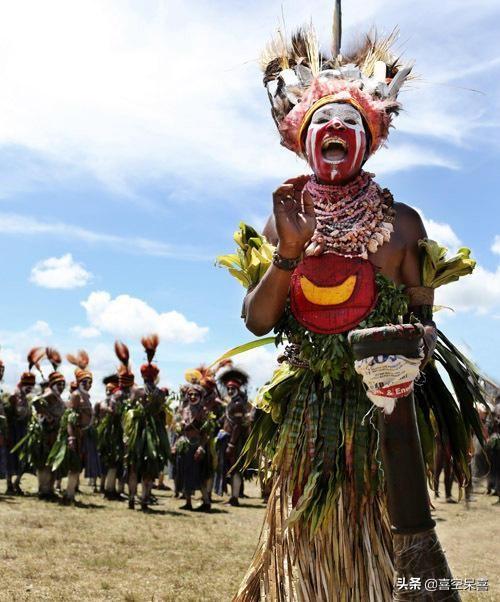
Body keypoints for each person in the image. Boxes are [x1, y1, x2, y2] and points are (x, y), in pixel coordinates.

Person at [217, 5, 484, 599]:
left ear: (368, 137)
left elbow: (422, 325)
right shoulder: (280, 218)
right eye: (322, 119)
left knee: (381, 548)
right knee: (309, 552)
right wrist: (289, 252)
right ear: (301, 137)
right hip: (310, 414)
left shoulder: (403, 225)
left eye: (348, 119)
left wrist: (407, 345)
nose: (334, 129)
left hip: (380, 423)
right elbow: (259, 318)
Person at [121, 335, 170, 511]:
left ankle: (132, 499)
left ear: (142, 375)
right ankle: (143, 499)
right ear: (155, 376)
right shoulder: (160, 393)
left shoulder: (136, 391)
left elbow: (128, 411)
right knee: (149, 468)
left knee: (133, 466)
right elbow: (163, 414)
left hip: (137, 432)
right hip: (153, 433)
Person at [14, 348, 66, 500]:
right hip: (46, 431)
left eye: (63, 384)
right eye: (59, 384)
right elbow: (36, 401)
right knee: (44, 462)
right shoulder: (50, 393)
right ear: (53, 384)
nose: (62, 387)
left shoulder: (56, 394)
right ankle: (43, 491)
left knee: (50, 461)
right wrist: (48, 416)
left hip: (54, 431)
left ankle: (48, 490)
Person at [4, 348, 44, 495]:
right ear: (23, 383)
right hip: (13, 430)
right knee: (11, 456)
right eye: (29, 386)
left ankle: (16, 483)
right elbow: (10, 413)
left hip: (24, 431)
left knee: (24, 458)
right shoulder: (13, 395)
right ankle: (9, 484)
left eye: (32, 386)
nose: (30, 389)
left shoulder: (28, 395)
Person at [175, 379, 216, 512]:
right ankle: (188, 502)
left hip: (198, 446)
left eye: (195, 395)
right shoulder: (184, 410)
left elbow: (207, 433)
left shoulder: (204, 411)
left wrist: (201, 447)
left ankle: (206, 502)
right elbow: (179, 430)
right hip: (185, 446)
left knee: (201, 475)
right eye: (190, 394)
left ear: (200, 396)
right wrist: (176, 442)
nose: (192, 397)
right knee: (185, 474)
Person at [217, 367, 251, 507]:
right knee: (231, 469)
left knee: (235, 469)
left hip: (235, 442)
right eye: (228, 388)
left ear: (237, 389)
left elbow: (237, 426)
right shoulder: (232, 402)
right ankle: (232, 497)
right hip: (230, 439)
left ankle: (235, 498)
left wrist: (231, 444)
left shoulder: (237, 404)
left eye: (232, 388)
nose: (230, 391)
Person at [97, 374, 124, 499]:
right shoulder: (108, 400)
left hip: (115, 432)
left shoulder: (117, 397)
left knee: (113, 461)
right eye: (107, 389)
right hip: (109, 433)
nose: (108, 391)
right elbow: (106, 411)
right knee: (110, 461)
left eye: (110, 389)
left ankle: (109, 488)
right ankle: (108, 489)